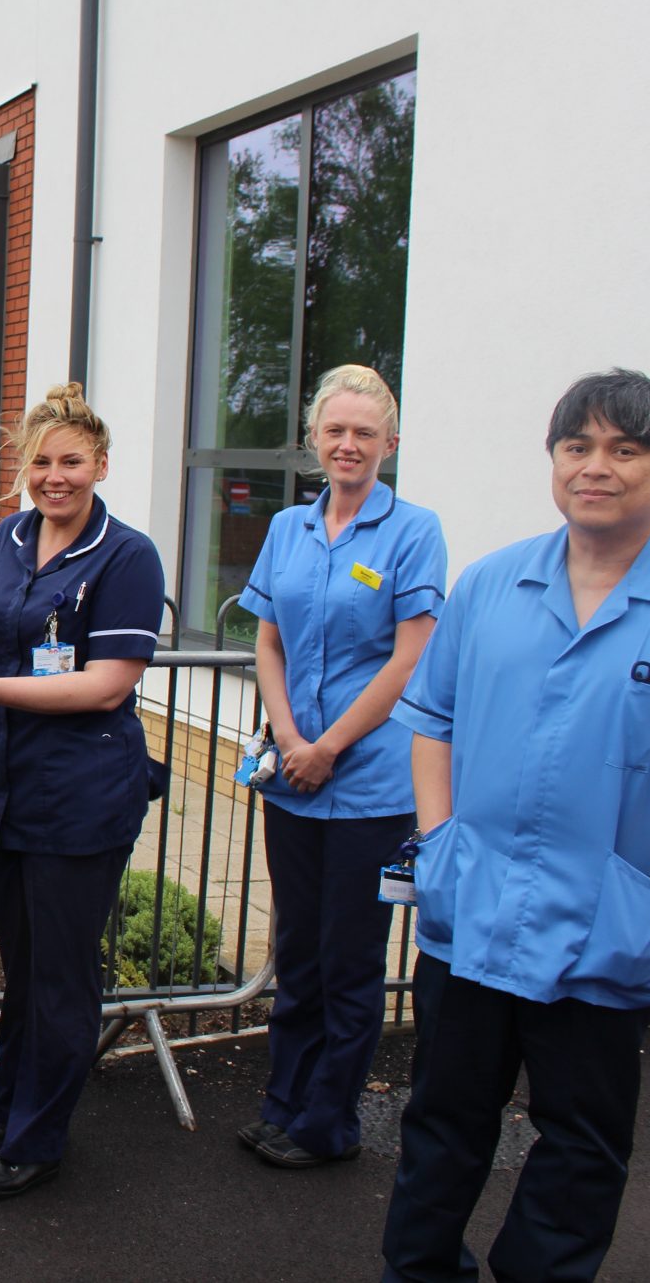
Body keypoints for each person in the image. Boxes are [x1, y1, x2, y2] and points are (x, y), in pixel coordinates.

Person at [381, 369, 650, 1283]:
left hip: (609, 926)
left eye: (624, 449)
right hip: (472, 914)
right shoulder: (491, 583)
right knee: (442, 1125)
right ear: (555, 460)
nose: (595, 466)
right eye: (577, 446)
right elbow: (433, 722)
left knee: (579, 1146)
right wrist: (441, 842)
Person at [0, 382, 165, 1199]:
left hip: (81, 794)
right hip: (5, 787)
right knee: (24, 960)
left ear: (102, 464)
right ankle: (10, 1098)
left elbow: (104, 687)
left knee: (62, 973)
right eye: (41, 462)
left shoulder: (128, 555)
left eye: (72, 462)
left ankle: (37, 1138)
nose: (55, 477)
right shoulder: (9, 535)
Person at [236, 365, 447, 1169]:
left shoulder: (414, 529)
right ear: (314, 439)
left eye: (365, 432)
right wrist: (290, 738)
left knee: (351, 962)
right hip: (293, 778)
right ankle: (282, 1102)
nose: (348, 444)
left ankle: (329, 1123)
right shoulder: (288, 527)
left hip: (370, 787)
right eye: (335, 430)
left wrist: (328, 747)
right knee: (300, 951)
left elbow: (410, 657)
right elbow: (268, 639)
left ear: (390, 443)